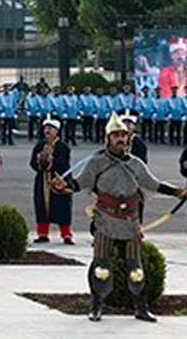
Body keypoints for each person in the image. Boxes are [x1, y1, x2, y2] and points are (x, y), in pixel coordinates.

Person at [54, 113, 187, 322]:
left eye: (124, 135)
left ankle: (141, 308)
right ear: (108, 138)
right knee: (101, 267)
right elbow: (79, 184)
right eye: (116, 135)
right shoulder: (97, 162)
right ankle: (96, 306)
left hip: (130, 222)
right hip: (105, 221)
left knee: (135, 269)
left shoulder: (136, 164)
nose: (121, 139)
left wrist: (178, 192)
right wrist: (64, 187)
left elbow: (154, 184)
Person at [30, 116, 72, 243]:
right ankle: (43, 233)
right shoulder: (40, 145)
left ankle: (66, 234)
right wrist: (39, 163)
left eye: (50, 128)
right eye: (45, 128)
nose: (47, 131)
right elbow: (32, 162)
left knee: (62, 207)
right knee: (42, 206)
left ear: (57, 131)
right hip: (42, 179)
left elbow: (63, 163)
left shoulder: (63, 147)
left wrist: (49, 162)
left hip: (59, 179)